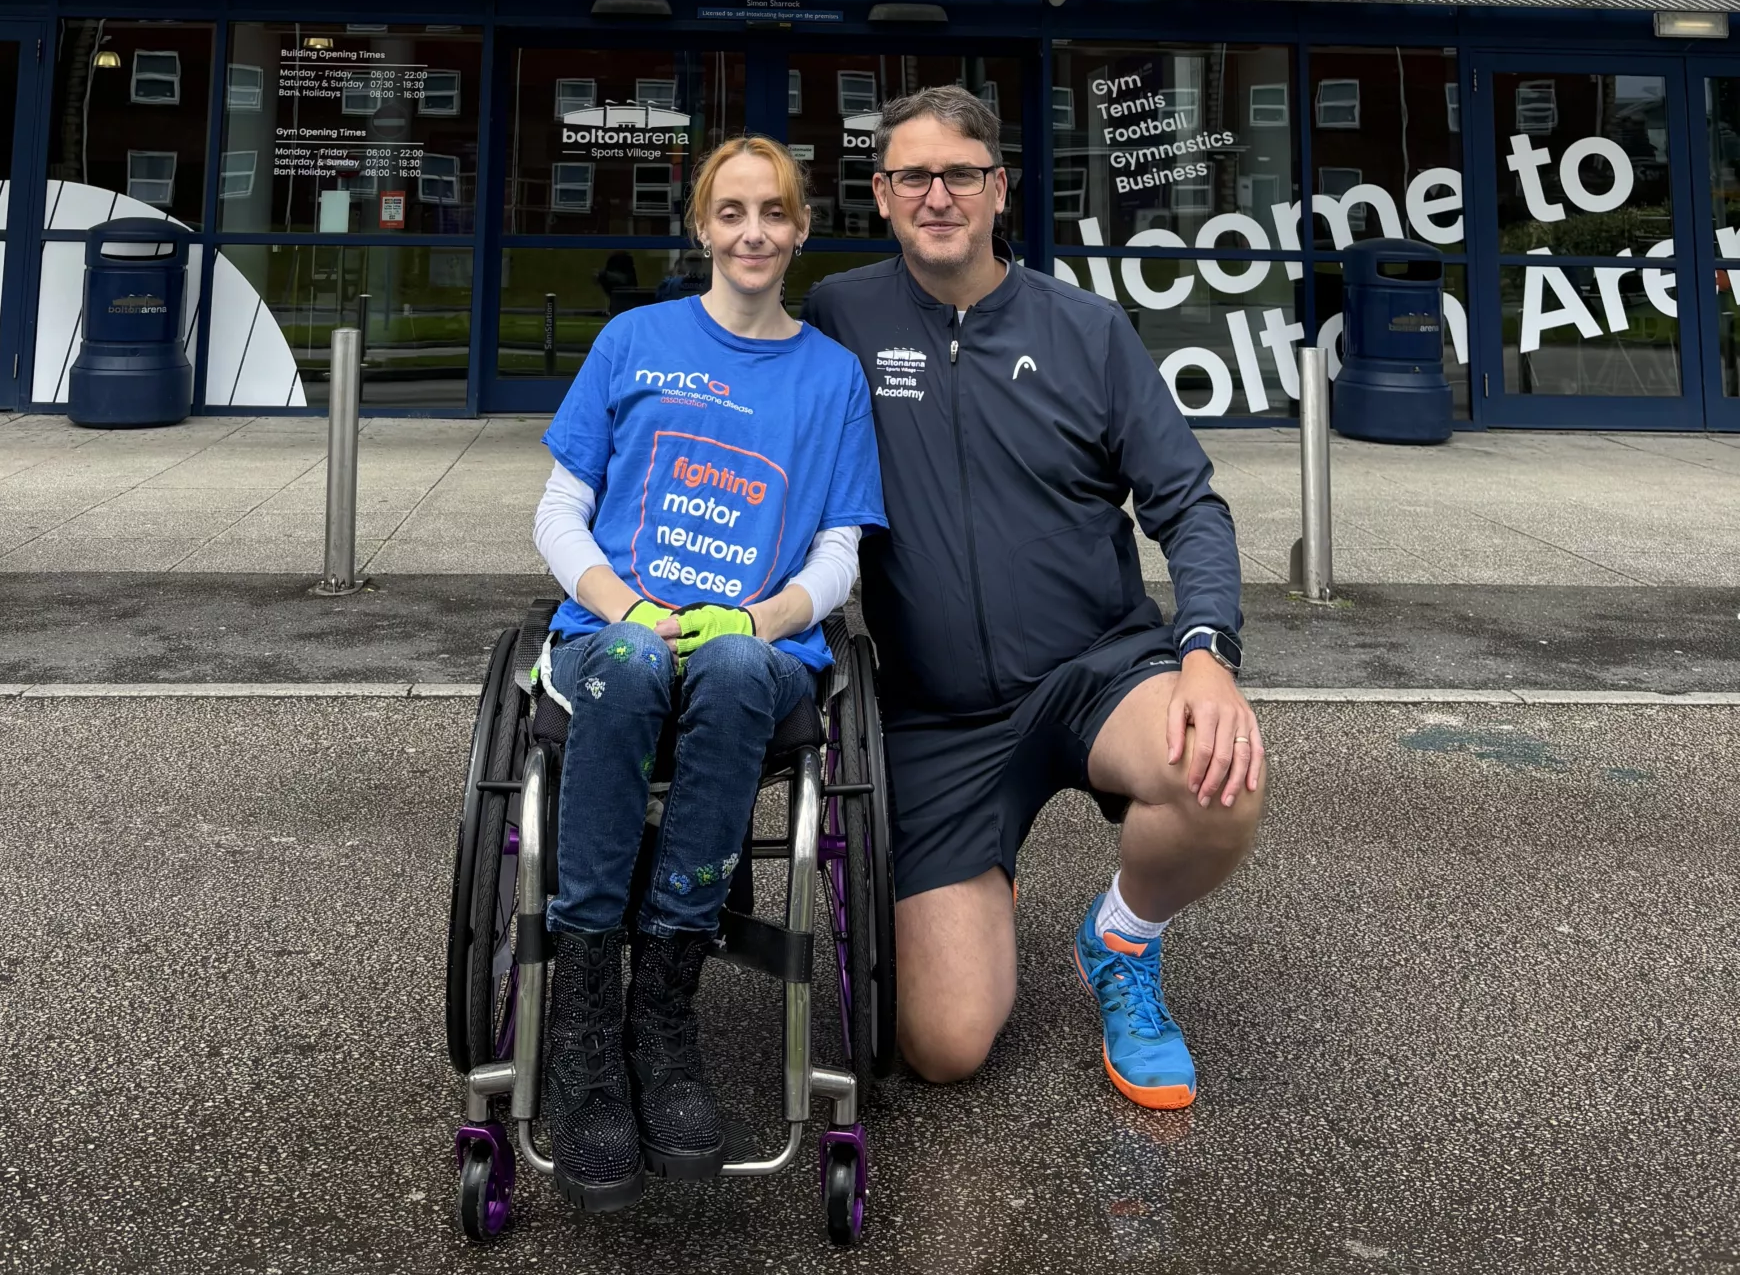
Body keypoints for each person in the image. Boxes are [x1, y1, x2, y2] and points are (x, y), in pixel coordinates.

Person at [803, 85, 1263, 1112]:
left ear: (999, 186)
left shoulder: (1086, 330)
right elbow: (764, 431)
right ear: (881, 194)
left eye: (960, 172)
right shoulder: (841, 317)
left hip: (1097, 670)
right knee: (944, 1046)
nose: (938, 194)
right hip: (939, 712)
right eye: (913, 174)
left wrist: (1206, 654)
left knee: (1219, 774)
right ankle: (985, 870)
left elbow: (1189, 505)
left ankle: (1123, 942)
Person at [530, 134, 886, 1211]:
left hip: (758, 650)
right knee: (638, 658)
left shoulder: (830, 377)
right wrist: (625, 602)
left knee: (731, 663)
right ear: (700, 225)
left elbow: (839, 552)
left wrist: (759, 613)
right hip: (613, 633)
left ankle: (664, 1015)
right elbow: (558, 510)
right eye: (731, 211)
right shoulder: (634, 339)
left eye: (772, 211)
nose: (752, 232)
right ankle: (587, 1026)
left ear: (800, 227)